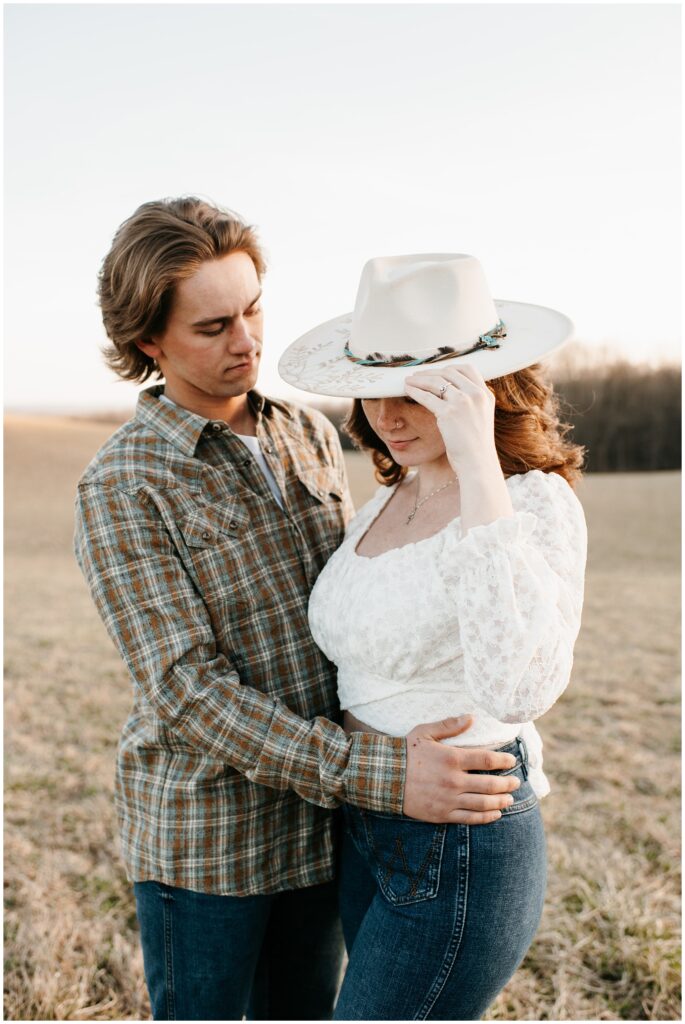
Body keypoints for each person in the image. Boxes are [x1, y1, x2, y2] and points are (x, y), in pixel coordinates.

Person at [73, 202, 522, 1021]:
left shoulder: (307, 434)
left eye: (251, 310)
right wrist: (381, 771)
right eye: (212, 327)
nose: (246, 341)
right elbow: (187, 691)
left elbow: (357, 609)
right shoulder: (122, 484)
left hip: (324, 832)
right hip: (209, 843)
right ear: (149, 342)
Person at [278, 252, 588, 1020]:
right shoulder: (382, 502)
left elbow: (520, 687)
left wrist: (478, 458)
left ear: (479, 388)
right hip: (366, 817)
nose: (388, 417)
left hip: (463, 838)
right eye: (374, 391)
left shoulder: (530, 503)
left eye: (417, 390)